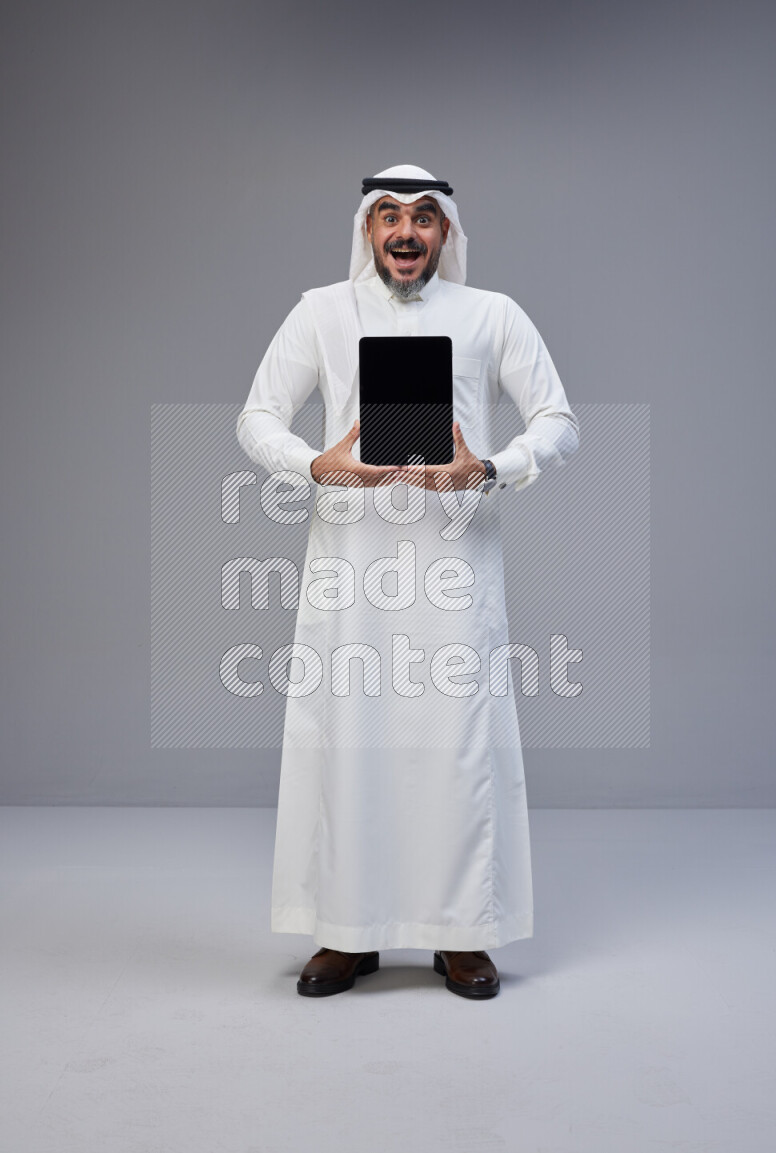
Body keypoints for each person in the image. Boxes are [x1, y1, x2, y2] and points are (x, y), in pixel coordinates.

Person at [236, 164, 579, 999]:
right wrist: (315, 464)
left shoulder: (492, 314)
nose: (405, 230)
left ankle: (461, 934)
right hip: (351, 568)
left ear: (446, 232)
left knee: (455, 746)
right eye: (388, 215)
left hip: (454, 568)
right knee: (348, 742)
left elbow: (559, 422)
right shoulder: (321, 311)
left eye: (424, 217)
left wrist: (488, 468)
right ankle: (346, 932)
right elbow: (256, 417)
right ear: (367, 228)